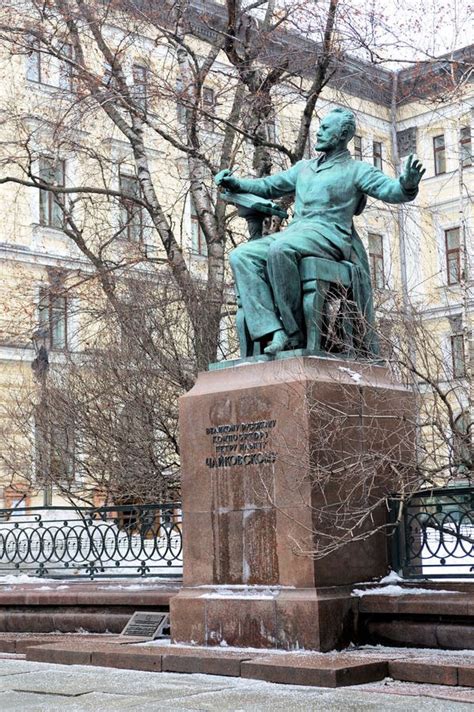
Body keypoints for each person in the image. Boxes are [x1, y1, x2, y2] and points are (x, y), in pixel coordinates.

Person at [215, 108, 425, 355]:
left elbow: (391, 191)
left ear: (342, 134)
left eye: (326, 128)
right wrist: (236, 183)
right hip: (297, 232)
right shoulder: (304, 168)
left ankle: (295, 336)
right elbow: (269, 186)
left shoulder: (356, 170)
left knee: (280, 249)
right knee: (242, 256)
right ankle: (274, 331)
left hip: (330, 235)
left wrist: (407, 184)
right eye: (320, 127)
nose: (319, 132)